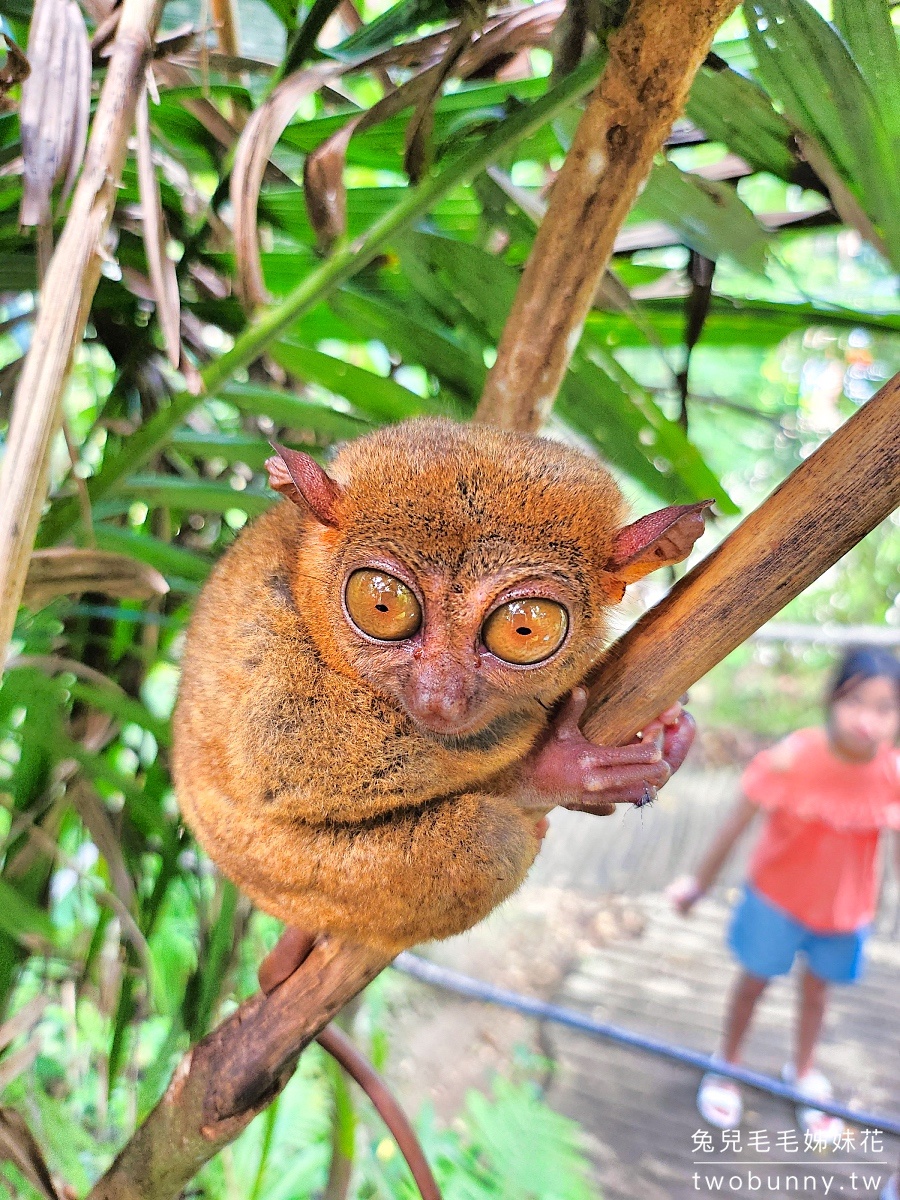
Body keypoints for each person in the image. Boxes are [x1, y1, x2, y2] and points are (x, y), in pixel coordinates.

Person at [669, 646, 900, 1133]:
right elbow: (735, 826)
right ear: (832, 699)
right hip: (775, 903)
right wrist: (698, 885)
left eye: (885, 708)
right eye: (856, 701)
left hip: (843, 914)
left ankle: (805, 1072)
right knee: (753, 984)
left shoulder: (892, 776)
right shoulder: (794, 758)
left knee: (818, 995)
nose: (868, 720)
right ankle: (727, 1064)